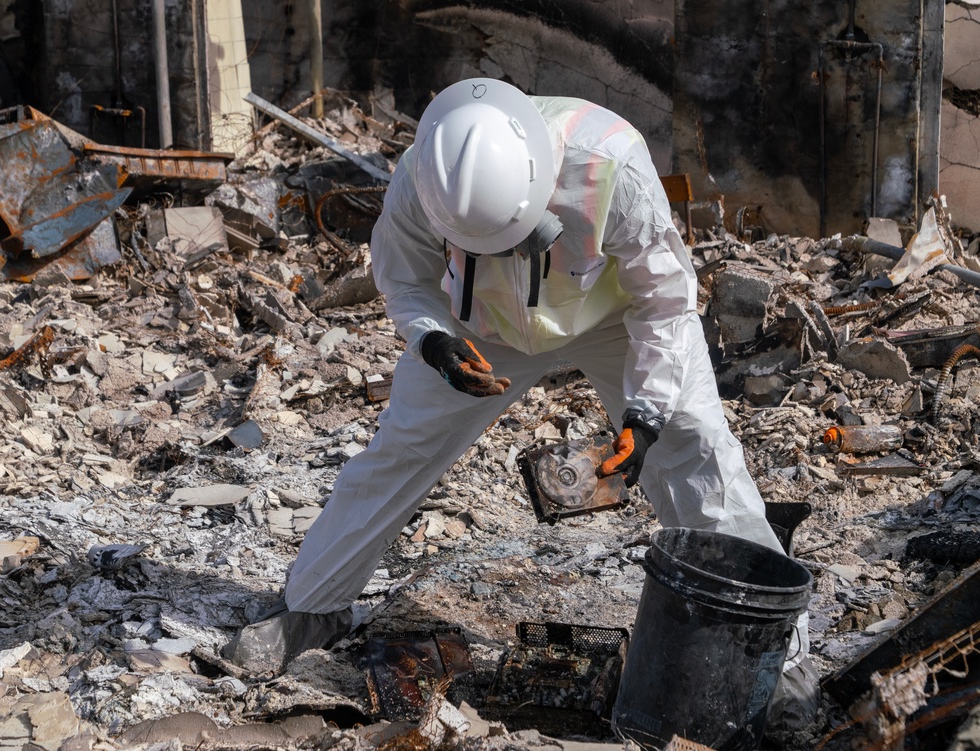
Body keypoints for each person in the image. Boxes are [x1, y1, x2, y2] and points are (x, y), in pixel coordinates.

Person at [224, 77, 817, 729]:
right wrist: (434, 343)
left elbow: (667, 302)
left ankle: (778, 655)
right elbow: (404, 279)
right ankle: (312, 608)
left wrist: (645, 413)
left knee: (696, 451)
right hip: (479, 327)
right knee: (398, 452)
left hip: (613, 317)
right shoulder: (425, 177)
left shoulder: (610, 163)